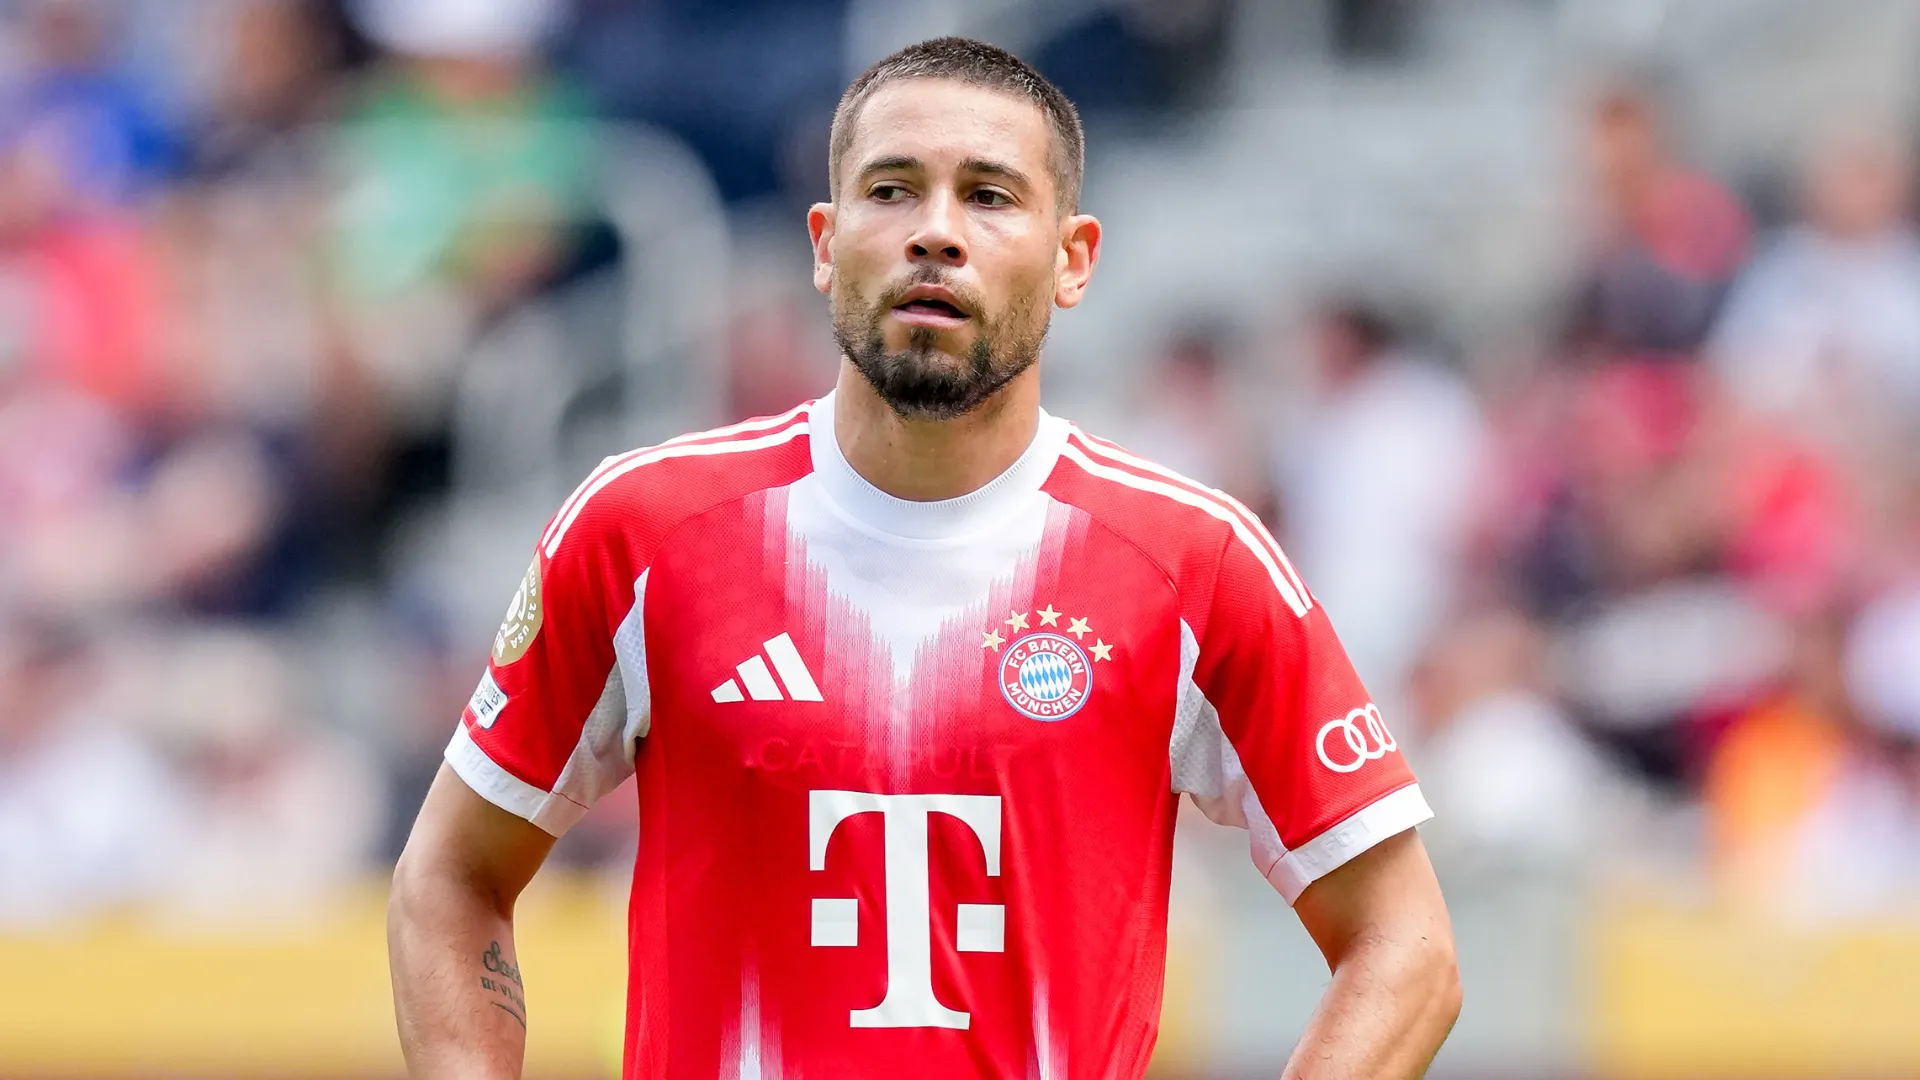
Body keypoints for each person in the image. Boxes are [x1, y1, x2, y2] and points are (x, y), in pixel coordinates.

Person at [388, 37, 1459, 1079]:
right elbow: (447, 878)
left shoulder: (1194, 561)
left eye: (989, 196)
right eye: (891, 190)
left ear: (1073, 257)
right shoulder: (642, 529)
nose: (935, 233)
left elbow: (1407, 950)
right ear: (822, 240)